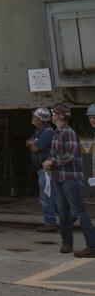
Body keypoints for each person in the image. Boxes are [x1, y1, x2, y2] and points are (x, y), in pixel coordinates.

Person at [43, 103, 95, 257]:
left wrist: (53, 162)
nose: (52, 116)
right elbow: (55, 154)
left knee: (79, 211)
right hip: (59, 177)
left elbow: (70, 155)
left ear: (59, 116)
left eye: (53, 113)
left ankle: (92, 245)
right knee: (64, 213)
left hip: (70, 178)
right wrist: (49, 161)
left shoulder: (68, 133)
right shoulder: (56, 133)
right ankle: (67, 243)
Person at [25, 107, 57, 231]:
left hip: (47, 170)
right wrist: (32, 143)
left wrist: (32, 144)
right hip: (42, 170)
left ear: (41, 120)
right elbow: (27, 142)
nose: (32, 119)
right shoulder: (38, 131)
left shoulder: (48, 132)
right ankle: (69, 216)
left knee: (46, 196)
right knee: (50, 196)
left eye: (35, 117)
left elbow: (34, 148)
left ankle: (50, 223)